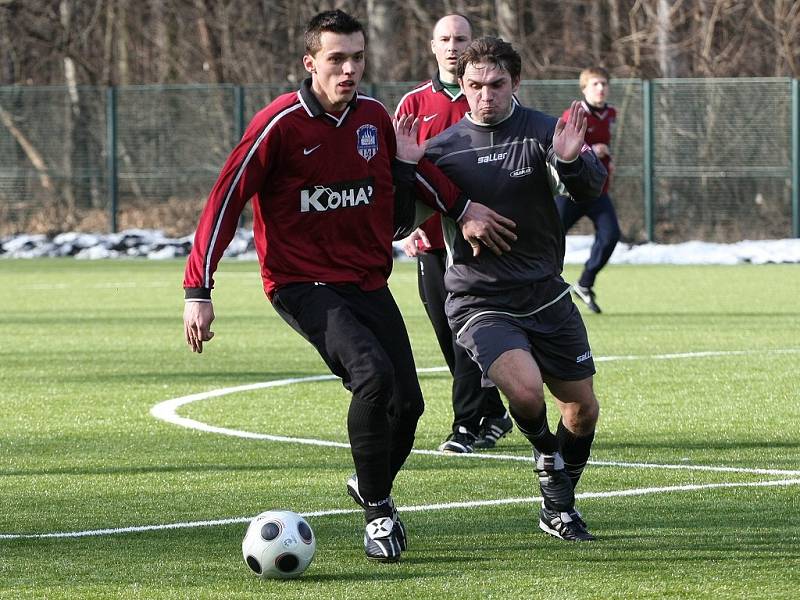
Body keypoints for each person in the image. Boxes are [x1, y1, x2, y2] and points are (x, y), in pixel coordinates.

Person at [182, 11, 516, 563]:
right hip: (300, 282)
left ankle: (369, 483)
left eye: (357, 58)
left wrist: (463, 207)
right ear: (310, 63)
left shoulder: (373, 118)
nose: (349, 69)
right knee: (372, 376)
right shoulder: (279, 125)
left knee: (408, 405)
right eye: (337, 59)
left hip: (365, 279)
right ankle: (379, 513)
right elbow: (225, 198)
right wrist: (199, 289)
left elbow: (410, 171)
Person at [397, 37, 607, 541]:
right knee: (526, 389)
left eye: (495, 85)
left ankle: (558, 502)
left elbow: (590, 190)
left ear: (515, 83)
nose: (484, 96)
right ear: (461, 86)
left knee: (581, 411)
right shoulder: (443, 152)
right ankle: (545, 461)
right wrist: (406, 170)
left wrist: (574, 161)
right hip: (479, 300)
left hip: (546, 294)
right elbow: (397, 226)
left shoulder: (542, 133)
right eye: (473, 86)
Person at [395, 14, 512, 455]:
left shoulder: (485, 98)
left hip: (474, 240)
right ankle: (494, 411)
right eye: (444, 39)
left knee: (468, 329)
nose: (452, 46)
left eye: (460, 38)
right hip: (429, 240)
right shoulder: (413, 103)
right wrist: (405, 226)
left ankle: (465, 426)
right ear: (432, 46)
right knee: (449, 335)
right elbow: (398, 170)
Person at [555, 66, 621, 313]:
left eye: (604, 83)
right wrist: (592, 151)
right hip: (570, 191)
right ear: (584, 88)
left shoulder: (611, 113)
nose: (601, 88)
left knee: (611, 235)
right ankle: (542, 288)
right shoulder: (575, 113)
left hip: (597, 192)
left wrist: (607, 160)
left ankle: (585, 283)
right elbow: (562, 149)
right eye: (595, 84)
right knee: (550, 238)